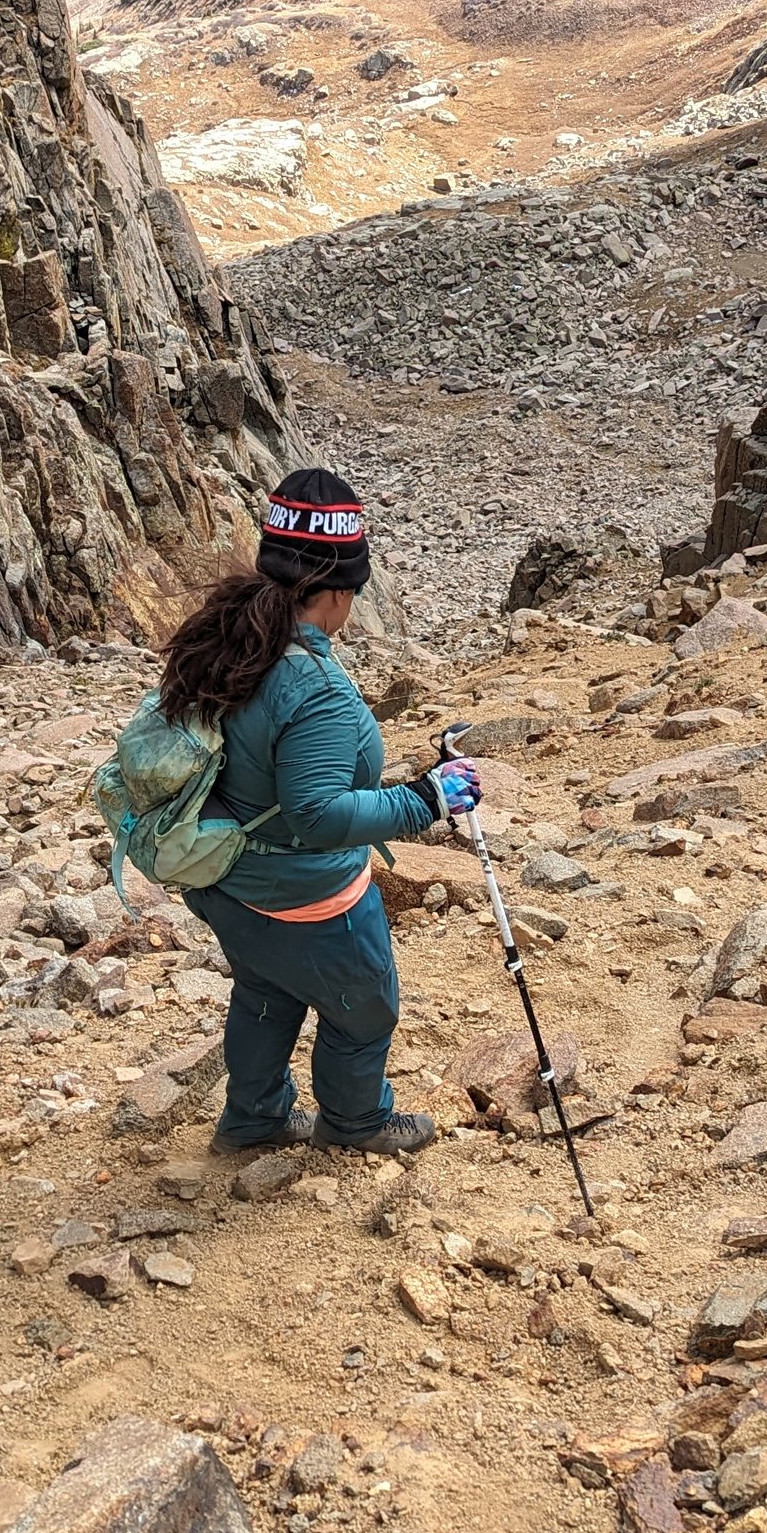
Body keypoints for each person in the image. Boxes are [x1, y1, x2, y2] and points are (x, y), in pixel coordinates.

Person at [159, 468, 479, 1158]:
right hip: (312, 899)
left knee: (264, 996)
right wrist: (427, 799)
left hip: (227, 880)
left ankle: (253, 1119)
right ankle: (356, 1122)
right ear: (337, 590)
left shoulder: (230, 639)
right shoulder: (315, 686)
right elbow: (317, 815)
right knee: (365, 1012)